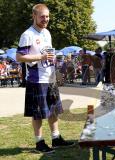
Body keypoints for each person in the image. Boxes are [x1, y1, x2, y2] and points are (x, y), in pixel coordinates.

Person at [16, 4, 74, 154]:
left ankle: (56, 139)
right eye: (42, 16)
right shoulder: (27, 34)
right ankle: (39, 142)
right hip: (37, 80)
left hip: (50, 77)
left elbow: (48, 54)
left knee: (53, 110)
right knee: (38, 113)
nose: (45, 19)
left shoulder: (47, 33)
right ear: (34, 16)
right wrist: (40, 57)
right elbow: (19, 57)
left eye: (47, 16)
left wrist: (52, 62)